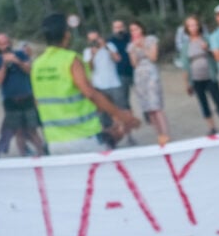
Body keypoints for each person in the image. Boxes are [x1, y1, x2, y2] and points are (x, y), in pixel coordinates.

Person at [30, 13, 140, 155]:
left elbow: (38, 102)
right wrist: (122, 116)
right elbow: (90, 93)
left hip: (54, 141)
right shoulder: (70, 59)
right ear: (66, 34)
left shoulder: (37, 65)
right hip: (83, 137)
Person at [0, 33, 46, 157]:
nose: (5, 46)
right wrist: (4, 64)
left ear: (10, 43)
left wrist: (17, 61)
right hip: (10, 101)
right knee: (18, 132)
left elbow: (30, 70)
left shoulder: (21, 54)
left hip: (26, 98)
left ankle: (43, 156)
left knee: (33, 130)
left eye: (6, 42)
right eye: (2, 44)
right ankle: (24, 158)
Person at [179, 15, 219, 135]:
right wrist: (187, 83)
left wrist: (208, 48)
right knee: (203, 102)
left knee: (218, 99)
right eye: (190, 25)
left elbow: (216, 55)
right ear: (187, 28)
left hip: (210, 75)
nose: (193, 27)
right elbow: (185, 66)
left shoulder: (207, 39)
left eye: (195, 25)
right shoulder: (185, 46)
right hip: (196, 78)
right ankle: (212, 128)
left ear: (199, 26)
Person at [83, 30, 135, 146]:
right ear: (88, 41)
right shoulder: (87, 51)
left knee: (122, 110)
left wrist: (105, 47)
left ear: (100, 38)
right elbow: (90, 68)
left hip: (114, 83)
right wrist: (93, 54)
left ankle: (129, 137)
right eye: (92, 40)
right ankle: (110, 141)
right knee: (103, 115)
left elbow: (117, 59)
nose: (95, 42)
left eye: (96, 39)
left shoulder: (110, 46)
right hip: (99, 85)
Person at [127, 20, 170, 145]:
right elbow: (134, 64)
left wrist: (142, 47)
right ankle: (159, 135)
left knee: (156, 105)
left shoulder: (151, 40)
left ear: (142, 29)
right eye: (132, 30)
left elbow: (153, 57)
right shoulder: (130, 45)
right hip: (139, 76)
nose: (134, 32)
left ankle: (166, 134)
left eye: (136, 29)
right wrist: (134, 48)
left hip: (151, 73)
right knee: (148, 108)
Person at [108, 20, 135, 100]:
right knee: (124, 98)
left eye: (121, 27)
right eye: (116, 27)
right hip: (121, 73)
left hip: (136, 70)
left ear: (124, 27)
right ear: (113, 29)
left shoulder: (131, 37)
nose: (119, 29)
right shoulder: (110, 41)